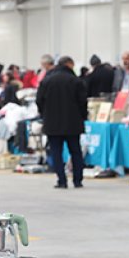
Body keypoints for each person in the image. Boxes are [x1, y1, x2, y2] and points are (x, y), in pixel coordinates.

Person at [36, 55, 88, 189]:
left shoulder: (47, 81)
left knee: (56, 152)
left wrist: (45, 115)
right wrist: (82, 117)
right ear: (69, 64)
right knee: (75, 151)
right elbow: (83, 102)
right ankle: (77, 180)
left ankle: (62, 180)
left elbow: (39, 100)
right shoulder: (75, 81)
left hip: (52, 123)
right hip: (73, 123)